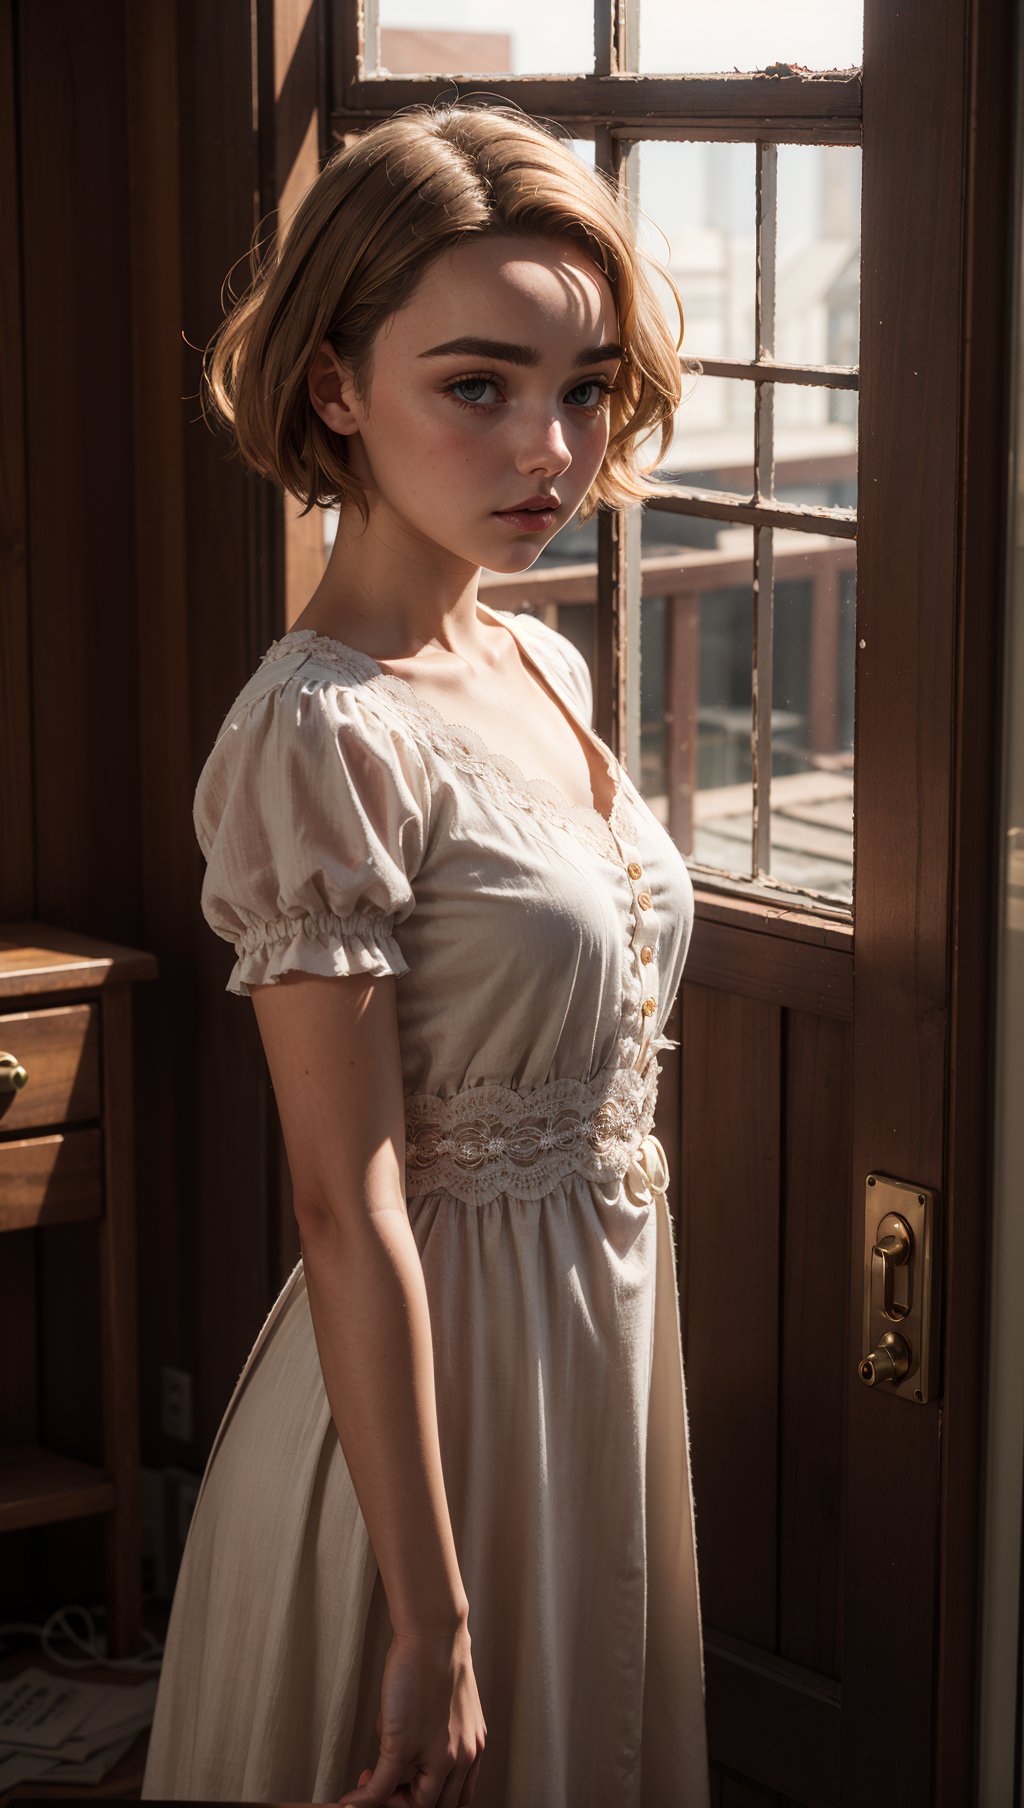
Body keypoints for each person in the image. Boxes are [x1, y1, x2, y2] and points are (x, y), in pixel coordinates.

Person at [140, 100, 710, 1808]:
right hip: (426, 1413)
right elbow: (344, 1199)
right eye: (479, 386)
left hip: (592, 1356)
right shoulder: (317, 736)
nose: (550, 445)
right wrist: (428, 1613)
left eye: (584, 386)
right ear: (337, 390)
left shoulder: (544, 671)